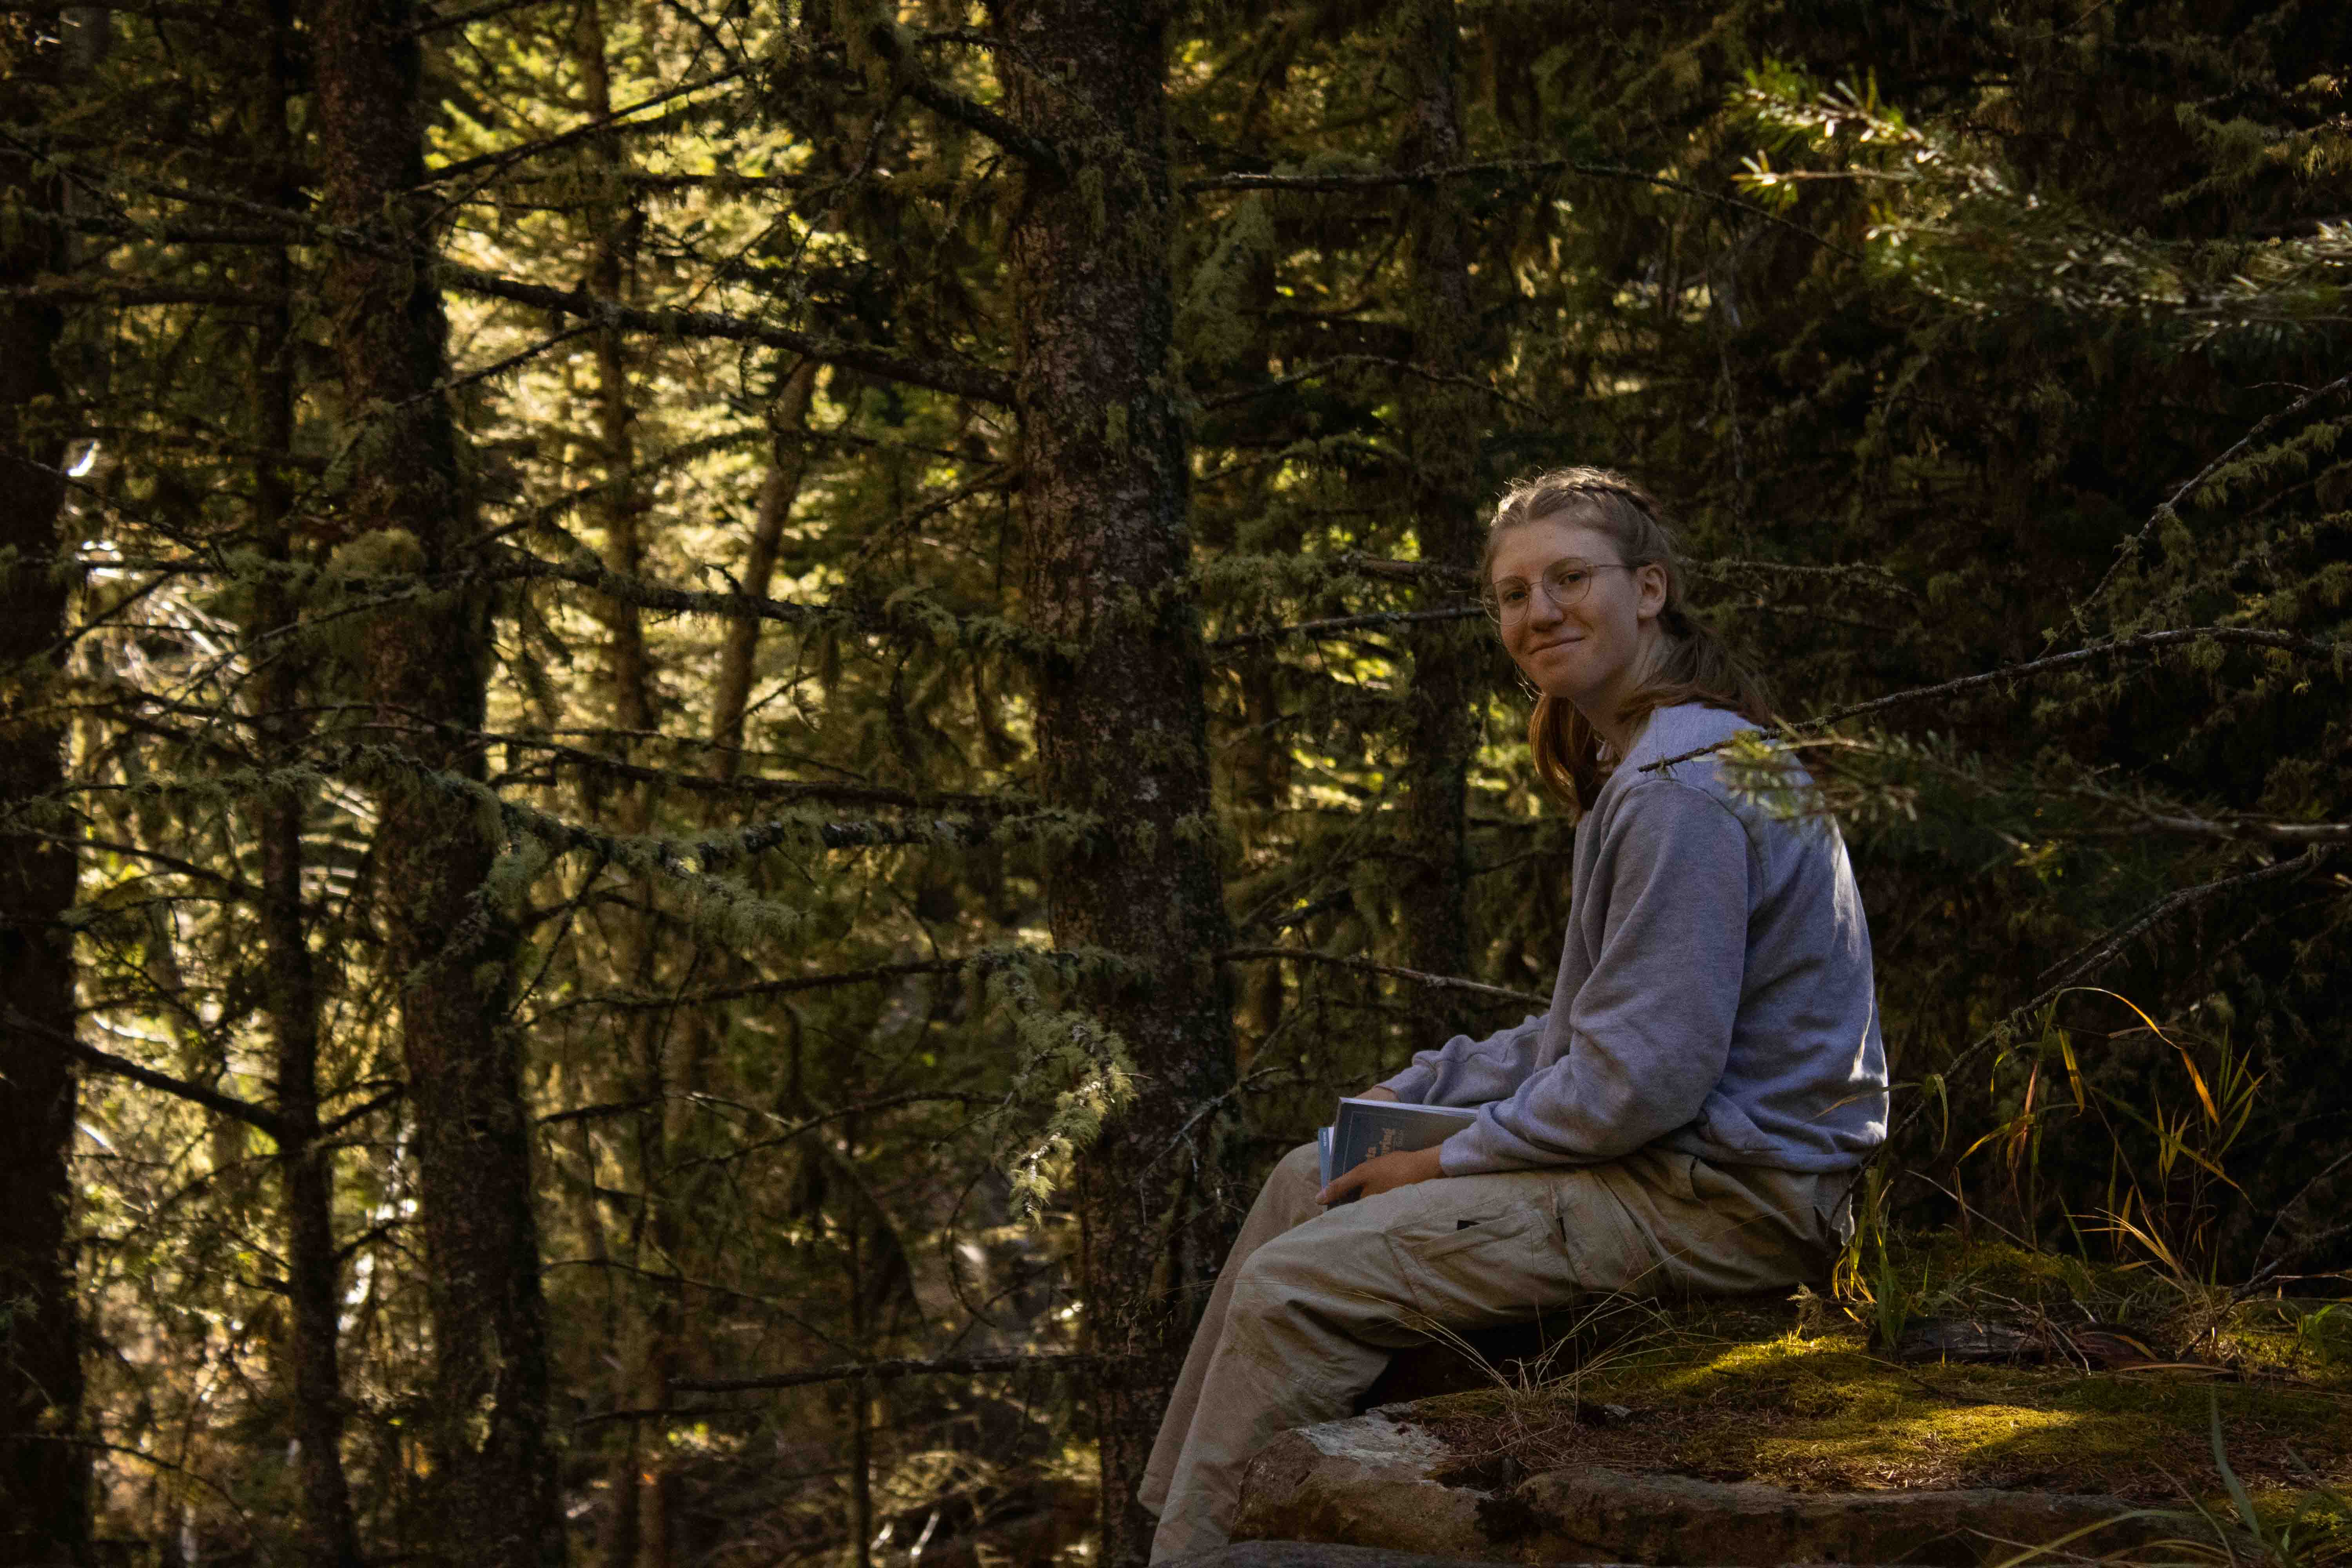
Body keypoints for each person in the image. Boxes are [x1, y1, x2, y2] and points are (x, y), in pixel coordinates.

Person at [1138, 467, 1890, 1562]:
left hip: (1735, 1200)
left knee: (1297, 1283)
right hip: (1670, 1161)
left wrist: (1440, 1166)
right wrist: (1425, 1093)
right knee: (1311, 1174)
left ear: (1650, 590)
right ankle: (1172, 1528)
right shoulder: (1648, 759)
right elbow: (1593, 1034)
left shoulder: (1680, 789)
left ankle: (1208, 1556)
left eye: (1569, 579)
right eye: (1512, 593)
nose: (1539, 613)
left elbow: (1643, 1080)